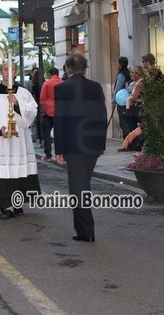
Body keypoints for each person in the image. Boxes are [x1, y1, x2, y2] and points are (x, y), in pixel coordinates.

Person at [53, 53, 107, 242]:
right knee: (82, 186)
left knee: (78, 188)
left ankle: (86, 230)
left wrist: (58, 149)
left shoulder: (62, 89)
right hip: (93, 143)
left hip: (74, 145)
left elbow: (59, 120)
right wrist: (101, 143)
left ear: (67, 69)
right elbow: (102, 115)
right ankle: (83, 229)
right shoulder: (95, 87)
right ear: (85, 69)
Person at [0, 60, 40, 219]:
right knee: (2, 173)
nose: (8, 72)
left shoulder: (23, 93)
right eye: (5, 69)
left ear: (15, 72)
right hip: (1, 140)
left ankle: (17, 203)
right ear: (2, 72)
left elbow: (32, 112)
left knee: (17, 172)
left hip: (19, 141)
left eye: (11, 69)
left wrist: (17, 103)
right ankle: (6, 206)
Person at [39, 66, 63, 162]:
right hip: (60, 110)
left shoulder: (47, 83)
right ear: (57, 74)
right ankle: (60, 154)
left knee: (47, 134)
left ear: (50, 74)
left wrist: (41, 111)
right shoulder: (62, 83)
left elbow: (42, 99)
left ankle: (48, 154)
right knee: (59, 134)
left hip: (48, 111)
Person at [113, 57, 132, 139]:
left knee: (123, 122)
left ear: (120, 64)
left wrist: (114, 101)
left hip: (121, 101)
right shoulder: (129, 73)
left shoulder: (121, 75)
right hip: (129, 101)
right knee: (128, 121)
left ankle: (126, 142)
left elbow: (117, 89)